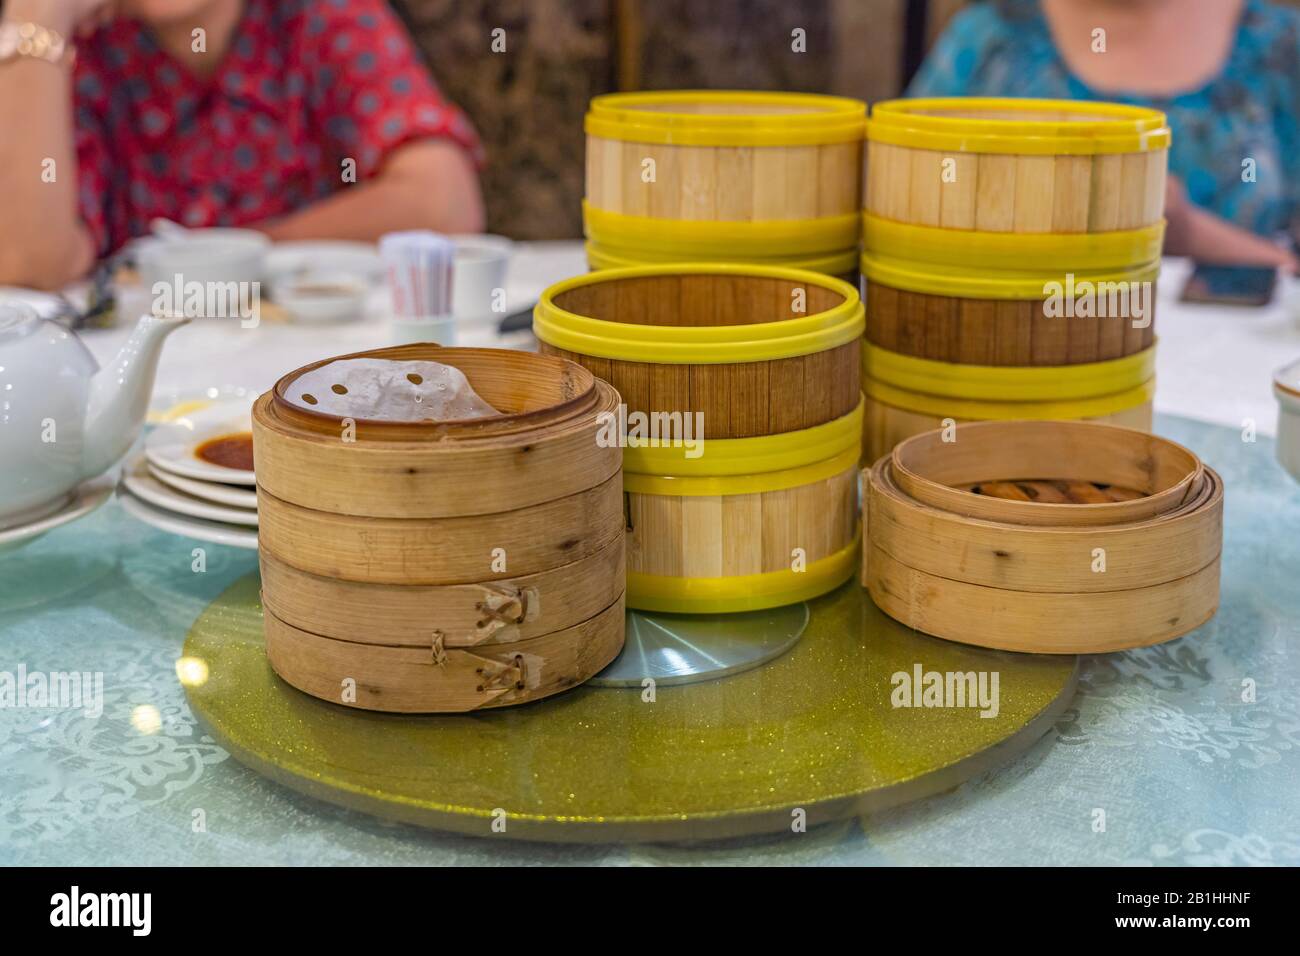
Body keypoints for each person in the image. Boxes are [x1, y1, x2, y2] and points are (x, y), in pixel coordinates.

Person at [0, 0, 484, 290]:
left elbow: (445, 204)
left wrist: (228, 257)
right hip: (153, 380)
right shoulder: (74, 54)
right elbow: (26, 262)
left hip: (310, 365)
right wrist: (36, 21)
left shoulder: (316, 16)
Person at [909, 0, 1300, 272]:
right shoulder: (987, 41)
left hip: (1246, 372)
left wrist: (1188, 233)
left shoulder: (1281, 47)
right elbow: (905, 201)